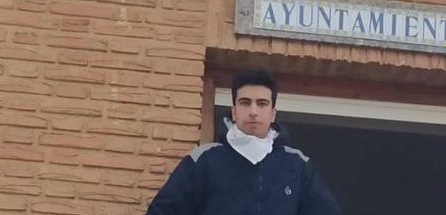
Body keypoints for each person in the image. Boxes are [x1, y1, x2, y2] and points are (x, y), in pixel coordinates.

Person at [146, 69, 340, 215]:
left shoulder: (297, 165)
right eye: (245, 102)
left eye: (262, 103)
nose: (253, 111)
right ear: (234, 111)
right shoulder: (203, 160)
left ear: (272, 114)